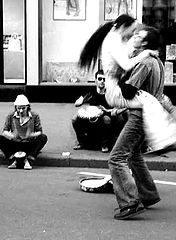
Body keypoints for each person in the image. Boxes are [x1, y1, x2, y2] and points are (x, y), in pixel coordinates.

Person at [79, 14, 176, 152]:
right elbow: (126, 65)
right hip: (114, 90)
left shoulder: (119, 39)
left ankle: (162, 139)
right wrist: (146, 52)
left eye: (136, 34)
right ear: (124, 27)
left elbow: (129, 52)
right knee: (150, 101)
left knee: (150, 102)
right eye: (132, 30)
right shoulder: (113, 41)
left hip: (116, 88)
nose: (133, 34)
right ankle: (161, 140)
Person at [107, 26, 164, 220]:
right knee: (134, 155)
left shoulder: (145, 62)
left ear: (146, 43)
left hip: (140, 116)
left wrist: (117, 77)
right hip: (148, 113)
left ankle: (130, 202)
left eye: (140, 35)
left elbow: (129, 91)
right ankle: (148, 194)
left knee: (116, 158)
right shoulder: (157, 61)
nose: (135, 36)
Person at [72, 70, 127, 152]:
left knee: (106, 120)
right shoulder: (90, 91)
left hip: (107, 116)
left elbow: (119, 108)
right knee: (74, 119)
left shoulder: (111, 93)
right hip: (92, 116)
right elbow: (77, 103)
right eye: (100, 79)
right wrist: (83, 100)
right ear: (95, 80)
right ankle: (81, 142)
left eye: (104, 79)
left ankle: (104, 144)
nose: (102, 81)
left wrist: (107, 110)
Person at [0, 94, 48, 170]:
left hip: (28, 143)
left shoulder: (35, 116)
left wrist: (31, 135)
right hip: (15, 143)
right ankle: (13, 159)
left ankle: (28, 160)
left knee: (43, 138)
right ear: (16, 107)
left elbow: (40, 132)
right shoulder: (11, 115)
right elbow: (5, 131)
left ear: (27, 107)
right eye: (19, 108)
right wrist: (12, 136)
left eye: (23, 108)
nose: (21, 111)